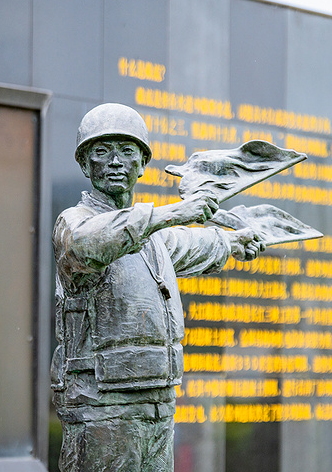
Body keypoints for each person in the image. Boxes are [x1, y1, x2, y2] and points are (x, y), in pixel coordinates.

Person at [52, 103, 264, 471]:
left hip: (158, 405)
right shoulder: (76, 222)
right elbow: (90, 243)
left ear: (142, 164)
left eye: (127, 151)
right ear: (85, 165)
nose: (115, 161)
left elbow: (191, 243)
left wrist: (233, 241)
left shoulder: (155, 239)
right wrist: (173, 212)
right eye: (101, 151)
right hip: (102, 409)